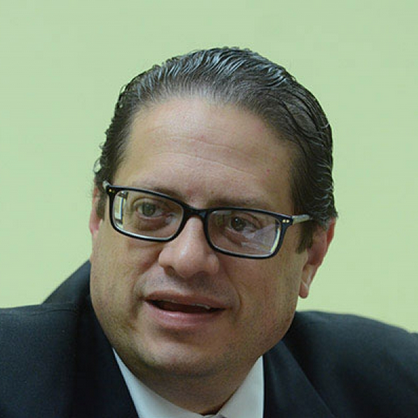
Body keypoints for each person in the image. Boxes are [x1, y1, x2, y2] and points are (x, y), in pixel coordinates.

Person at [1, 47, 417, 418]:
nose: (186, 259)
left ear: (311, 255)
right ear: (98, 217)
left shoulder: (396, 388)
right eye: (151, 209)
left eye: (239, 223)